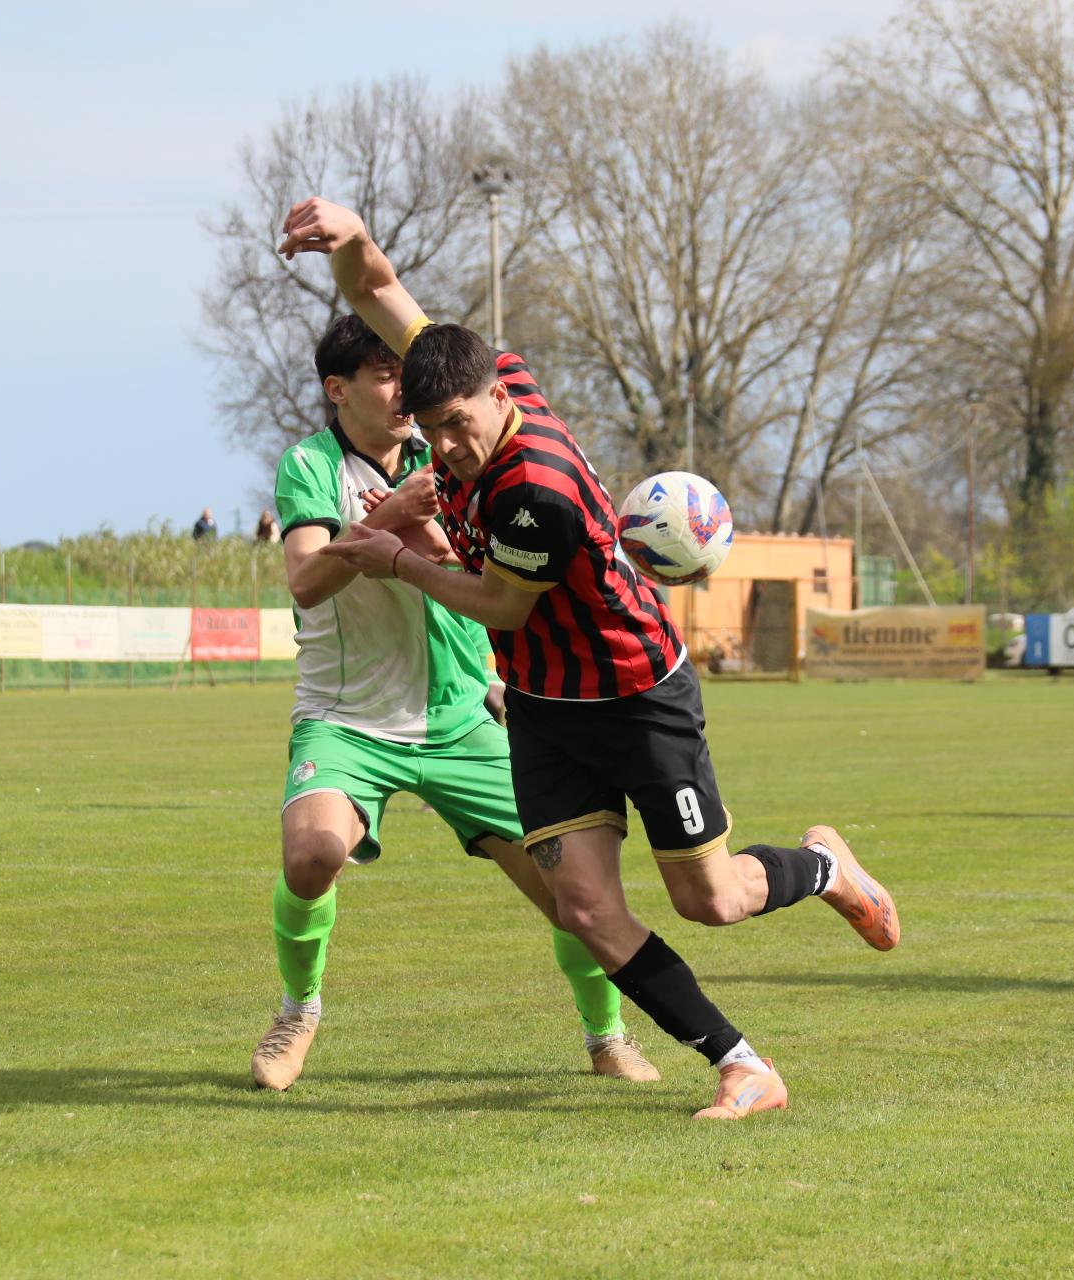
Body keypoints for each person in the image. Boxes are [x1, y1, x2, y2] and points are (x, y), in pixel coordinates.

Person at [288, 197, 899, 1119]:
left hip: (635, 696)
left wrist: (396, 558)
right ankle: (743, 1065)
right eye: (430, 426)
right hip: (543, 707)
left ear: (498, 397)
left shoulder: (532, 492)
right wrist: (353, 237)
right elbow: (377, 288)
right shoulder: (485, 382)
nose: (444, 446)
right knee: (583, 907)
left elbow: (500, 603)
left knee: (710, 899)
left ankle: (822, 867)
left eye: (456, 424)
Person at [251, 313, 657, 1091]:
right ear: (337, 390)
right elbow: (305, 581)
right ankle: (298, 1012)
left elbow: (493, 577)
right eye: (383, 377)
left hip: (463, 715)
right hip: (348, 718)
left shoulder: (453, 453)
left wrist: (497, 671)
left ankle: (606, 1035)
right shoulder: (310, 465)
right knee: (312, 855)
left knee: (574, 897)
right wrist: (390, 518)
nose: (402, 393)